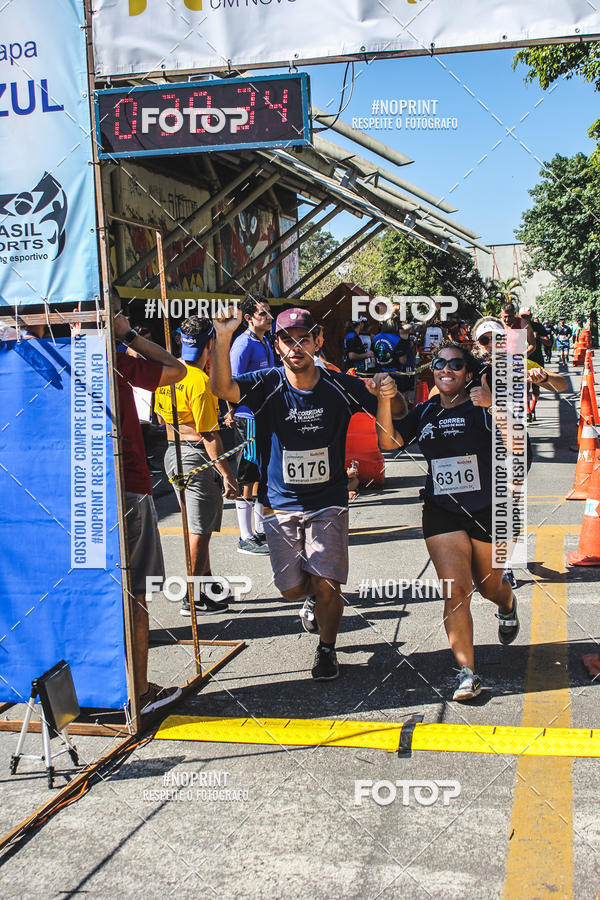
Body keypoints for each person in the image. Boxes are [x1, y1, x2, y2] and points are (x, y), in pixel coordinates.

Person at [210, 306, 401, 681]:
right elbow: (222, 389)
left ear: (317, 341)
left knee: (329, 585)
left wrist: (385, 395)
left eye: (303, 339)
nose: (295, 346)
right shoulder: (266, 383)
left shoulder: (338, 383)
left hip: (328, 502)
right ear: (276, 345)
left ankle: (327, 650)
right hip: (279, 504)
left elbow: (390, 439)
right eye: (286, 340)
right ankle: (309, 599)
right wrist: (221, 337)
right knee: (291, 589)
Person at [378, 341, 521, 701]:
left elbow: (520, 452)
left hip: (491, 510)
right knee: (456, 592)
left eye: (456, 364)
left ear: (469, 374)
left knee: (490, 588)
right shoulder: (426, 412)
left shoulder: (484, 409)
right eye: (440, 363)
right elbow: (390, 443)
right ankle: (467, 673)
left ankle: (507, 605)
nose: (446, 369)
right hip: (442, 511)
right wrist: (384, 399)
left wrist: (494, 407)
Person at [113, 307, 186, 715]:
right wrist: (129, 335)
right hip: (126, 485)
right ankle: (138, 692)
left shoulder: (32, 355)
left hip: (64, 492)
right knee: (136, 591)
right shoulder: (115, 357)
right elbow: (175, 368)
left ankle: (91, 688)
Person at [154, 316, 239, 617]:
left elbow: (162, 419)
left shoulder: (168, 371)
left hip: (172, 454)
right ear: (211, 344)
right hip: (195, 456)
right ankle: (191, 597)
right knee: (199, 531)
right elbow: (209, 435)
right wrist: (227, 473)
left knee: (195, 525)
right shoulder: (200, 380)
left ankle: (206, 587)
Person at [228, 293, 274, 555]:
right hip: (247, 418)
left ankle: (260, 530)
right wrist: (232, 411)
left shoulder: (265, 341)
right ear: (248, 318)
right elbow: (231, 383)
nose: (268, 318)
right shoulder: (243, 345)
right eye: (262, 314)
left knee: (261, 475)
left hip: (263, 415)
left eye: (268, 313)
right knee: (247, 474)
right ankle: (245, 537)